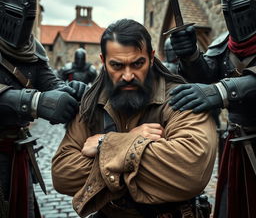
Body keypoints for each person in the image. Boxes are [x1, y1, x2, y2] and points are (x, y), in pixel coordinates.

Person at [51, 19, 217, 218]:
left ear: (151, 57)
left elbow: (189, 170)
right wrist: (133, 140)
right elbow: (63, 174)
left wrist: (106, 143)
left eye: (137, 63)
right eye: (117, 65)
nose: (128, 75)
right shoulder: (91, 103)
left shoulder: (180, 98)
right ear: (103, 62)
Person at [169, 0, 256, 218]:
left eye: (242, 10)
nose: (237, 19)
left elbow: (221, 87)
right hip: (236, 142)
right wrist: (191, 55)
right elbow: (204, 77)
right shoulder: (224, 43)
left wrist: (222, 90)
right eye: (230, 13)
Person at [0, 0, 86, 218]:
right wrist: (36, 102)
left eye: (27, 18)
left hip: (17, 152)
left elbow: (49, 81)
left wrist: (67, 91)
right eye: (16, 15)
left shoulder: (33, 47)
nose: (20, 24)